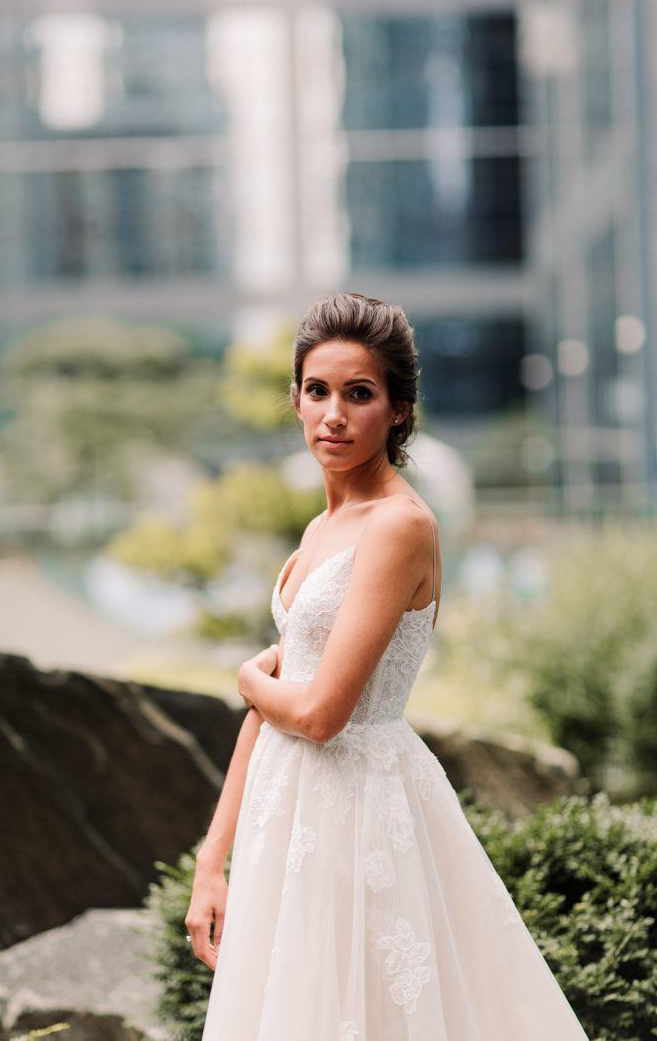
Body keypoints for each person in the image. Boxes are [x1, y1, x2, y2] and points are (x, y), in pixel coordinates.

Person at [186, 292, 591, 1040]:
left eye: (359, 394)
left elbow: (315, 713)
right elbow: (274, 712)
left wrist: (247, 678)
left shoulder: (401, 526)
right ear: (297, 401)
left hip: (357, 812)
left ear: (399, 410)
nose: (333, 414)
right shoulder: (320, 527)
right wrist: (214, 863)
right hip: (288, 812)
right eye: (317, 391)